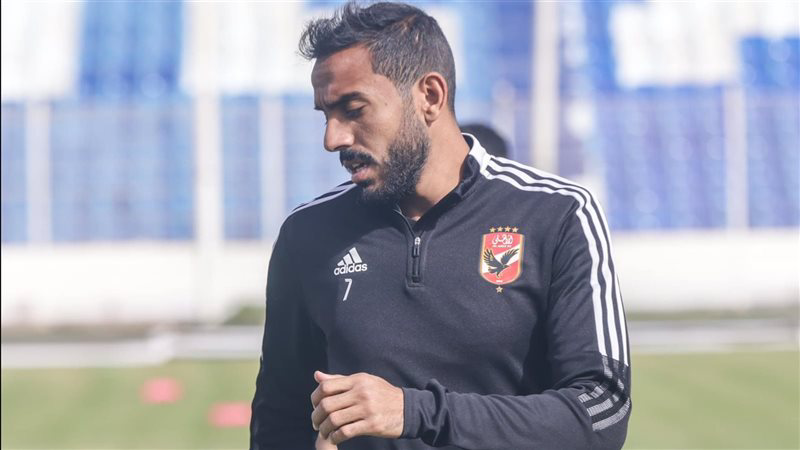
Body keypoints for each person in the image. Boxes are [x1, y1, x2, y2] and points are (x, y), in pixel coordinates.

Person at [250, 2, 631, 449]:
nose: (333, 138)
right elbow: (279, 422)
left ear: (430, 96)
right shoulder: (307, 234)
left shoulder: (556, 213)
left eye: (353, 109)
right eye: (326, 115)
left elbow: (601, 412)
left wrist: (415, 412)